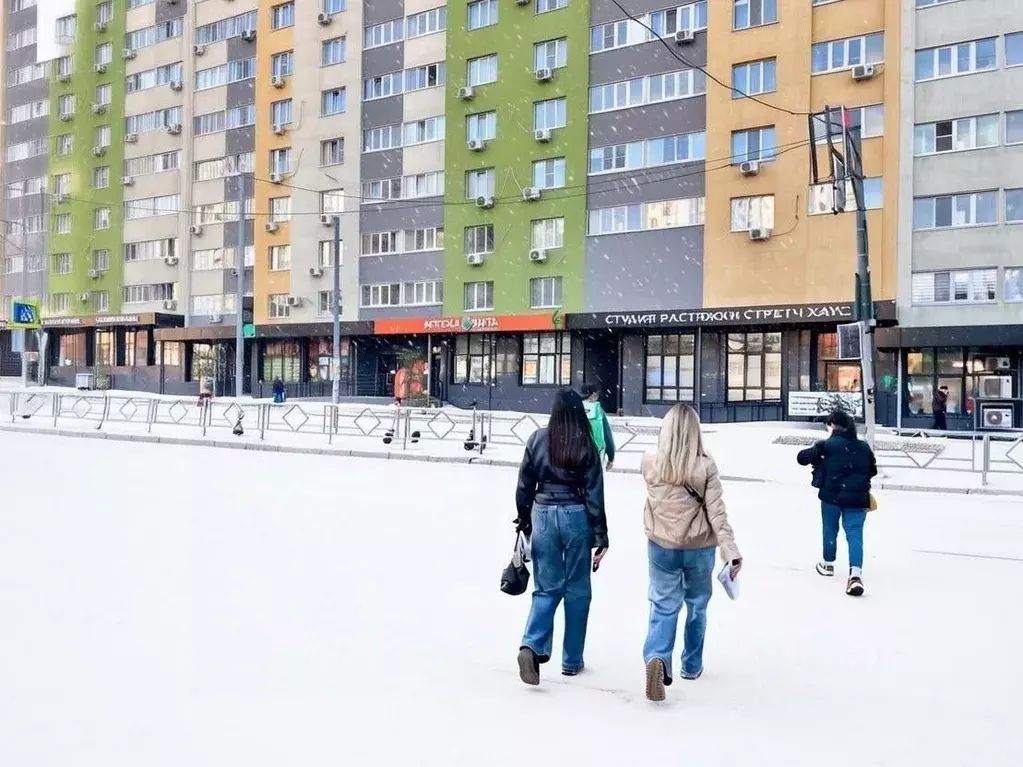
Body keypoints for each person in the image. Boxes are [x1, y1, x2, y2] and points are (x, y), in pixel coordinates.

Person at [641, 403, 741, 702]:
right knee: (697, 605)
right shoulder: (706, 467)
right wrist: (731, 550)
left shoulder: (650, 462)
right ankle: (691, 665)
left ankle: (657, 657)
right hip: (699, 548)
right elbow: (717, 514)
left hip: (661, 545)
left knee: (663, 604)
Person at [514, 388, 608, 686]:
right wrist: (601, 536)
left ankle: (531, 645)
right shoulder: (586, 443)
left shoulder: (538, 439)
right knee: (578, 589)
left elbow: (524, 485)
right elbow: (595, 494)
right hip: (575, 514)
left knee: (546, 588)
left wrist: (524, 520)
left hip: (542, 513)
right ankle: (571, 661)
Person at [796, 410, 877, 598]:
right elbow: (872, 470)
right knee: (855, 534)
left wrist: (819, 452)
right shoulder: (863, 447)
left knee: (830, 529)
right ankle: (855, 575)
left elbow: (802, 458)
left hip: (831, 497)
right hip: (858, 498)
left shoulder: (827, 446)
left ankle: (828, 564)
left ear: (832, 426)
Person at [581, 383, 616, 470]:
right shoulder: (598, 411)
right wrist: (611, 458)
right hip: (596, 453)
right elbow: (607, 436)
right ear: (593, 394)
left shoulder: (574, 408)